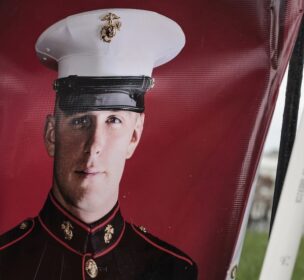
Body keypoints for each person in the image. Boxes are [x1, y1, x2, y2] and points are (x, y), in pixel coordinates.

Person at [0, 9, 197, 279]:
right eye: (81, 121)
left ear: (134, 136)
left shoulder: (171, 270)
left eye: (114, 120)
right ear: (51, 135)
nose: (94, 145)